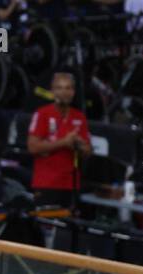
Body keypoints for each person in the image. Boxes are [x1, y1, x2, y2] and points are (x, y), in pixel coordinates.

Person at [27, 71, 92, 210]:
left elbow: (87, 151)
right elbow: (32, 147)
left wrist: (78, 143)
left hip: (70, 184)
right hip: (46, 183)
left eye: (68, 88)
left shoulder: (79, 117)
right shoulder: (42, 113)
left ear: (73, 92)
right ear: (53, 91)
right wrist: (64, 142)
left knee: (65, 229)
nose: (64, 92)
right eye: (60, 88)